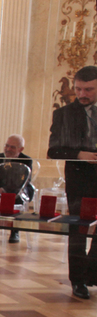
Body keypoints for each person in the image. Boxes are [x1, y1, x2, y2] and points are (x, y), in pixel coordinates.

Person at [48, 65, 97, 299]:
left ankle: (92, 275)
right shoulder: (64, 114)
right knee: (78, 231)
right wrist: (79, 154)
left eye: (89, 89)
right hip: (79, 180)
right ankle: (77, 280)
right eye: (78, 89)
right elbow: (53, 151)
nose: (82, 94)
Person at [0, 134, 34, 244]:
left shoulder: (27, 160)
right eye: (7, 146)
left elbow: (22, 181)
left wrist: (4, 190)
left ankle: (14, 231)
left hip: (19, 187)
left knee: (18, 197)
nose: (8, 149)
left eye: (12, 147)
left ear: (21, 149)